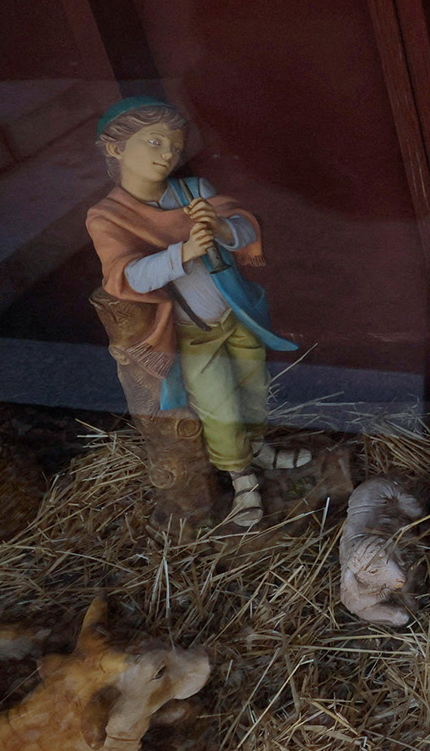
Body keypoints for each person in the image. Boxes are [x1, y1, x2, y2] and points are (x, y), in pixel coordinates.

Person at [86, 98, 305, 530]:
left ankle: (258, 447)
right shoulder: (108, 217)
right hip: (192, 332)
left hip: (236, 315)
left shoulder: (193, 191)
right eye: (154, 141)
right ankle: (243, 480)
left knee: (253, 386)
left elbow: (243, 227)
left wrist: (222, 229)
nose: (168, 153)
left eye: (175, 144)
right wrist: (182, 252)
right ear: (115, 149)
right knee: (218, 404)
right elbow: (126, 276)